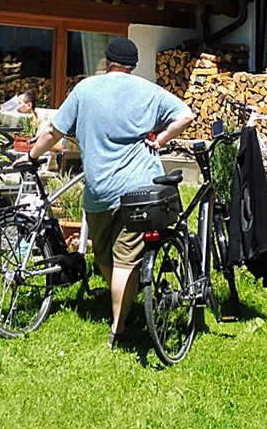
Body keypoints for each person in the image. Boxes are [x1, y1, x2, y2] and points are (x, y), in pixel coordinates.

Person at [22, 37, 194, 348]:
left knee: (104, 257)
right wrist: (161, 139)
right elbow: (186, 115)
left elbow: (52, 131)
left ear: (107, 62)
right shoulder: (148, 91)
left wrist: (32, 155)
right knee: (126, 261)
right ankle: (119, 328)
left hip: (99, 191)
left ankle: (123, 315)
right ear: (132, 65)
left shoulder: (85, 90)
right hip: (140, 189)